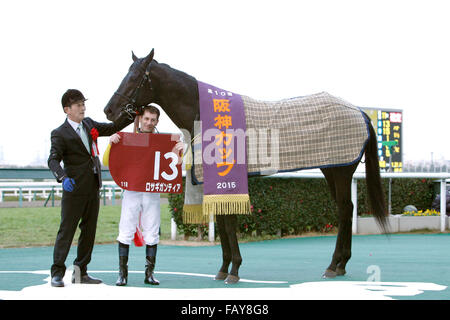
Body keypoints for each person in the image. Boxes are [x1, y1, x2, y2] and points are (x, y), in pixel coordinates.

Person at [48, 89, 135, 287]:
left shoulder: (89, 124)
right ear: (67, 109)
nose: (83, 108)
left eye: (83, 104)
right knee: (67, 230)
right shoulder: (59, 134)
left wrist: (132, 114)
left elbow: (114, 127)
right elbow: (52, 160)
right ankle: (57, 273)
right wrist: (62, 177)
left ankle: (80, 272)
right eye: (78, 105)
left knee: (89, 231)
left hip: (93, 187)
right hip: (73, 189)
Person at [103, 105, 184, 286]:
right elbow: (106, 161)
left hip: (152, 193)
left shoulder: (164, 142)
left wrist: (180, 151)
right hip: (132, 191)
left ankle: (149, 274)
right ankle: (122, 274)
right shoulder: (127, 138)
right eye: (146, 119)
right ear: (140, 119)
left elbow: (178, 165)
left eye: (153, 120)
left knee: (152, 232)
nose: (149, 122)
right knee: (125, 230)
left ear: (156, 122)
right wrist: (111, 144)